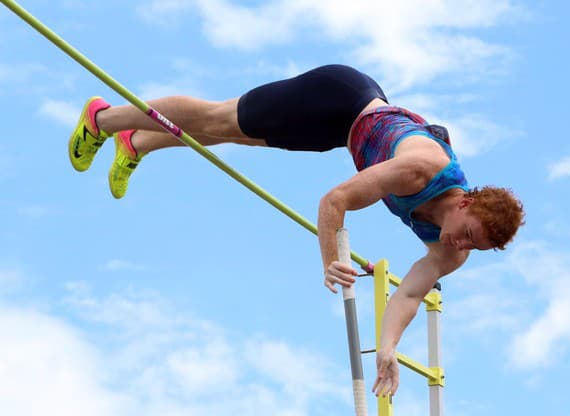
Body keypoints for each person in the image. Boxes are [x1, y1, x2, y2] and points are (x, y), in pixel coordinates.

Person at [68, 64, 525, 397]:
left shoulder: (452, 251)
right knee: (218, 118)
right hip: (340, 97)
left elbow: (407, 294)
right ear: (466, 201)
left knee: (235, 134)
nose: (460, 245)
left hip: (345, 130)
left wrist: (387, 347)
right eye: (468, 232)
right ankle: (103, 118)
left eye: (474, 247)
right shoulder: (419, 171)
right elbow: (334, 202)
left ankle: (138, 143)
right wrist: (331, 260)